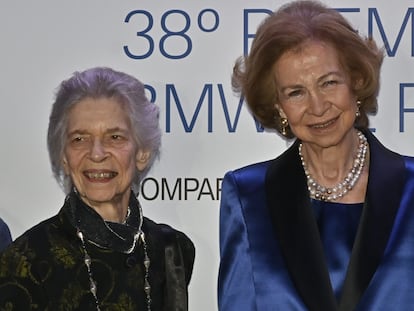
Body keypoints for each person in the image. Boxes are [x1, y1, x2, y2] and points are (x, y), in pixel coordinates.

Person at [218, 1, 414, 310]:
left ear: (356, 82)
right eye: (296, 92)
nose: (318, 106)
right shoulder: (247, 196)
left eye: (329, 83)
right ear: (278, 106)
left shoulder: (411, 188)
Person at [0, 67, 195, 310]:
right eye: (79, 139)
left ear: (142, 153)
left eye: (115, 137)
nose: (96, 154)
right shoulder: (24, 261)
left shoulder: (171, 250)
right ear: (63, 156)